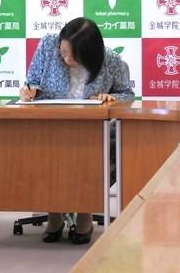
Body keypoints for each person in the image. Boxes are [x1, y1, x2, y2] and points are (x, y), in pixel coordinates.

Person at [19, 17, 134, 245]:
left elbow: (127, 95)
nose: (67, 59)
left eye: (74, 56)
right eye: (63, 53)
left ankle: (85, 212)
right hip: (50, 125)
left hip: (90, 130)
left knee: (96, 153)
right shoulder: (48, 45)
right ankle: (54, 213)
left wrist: (110, 97)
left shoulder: (111, 61)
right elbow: (32, 81)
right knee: (44, 152)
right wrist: (29, 91)